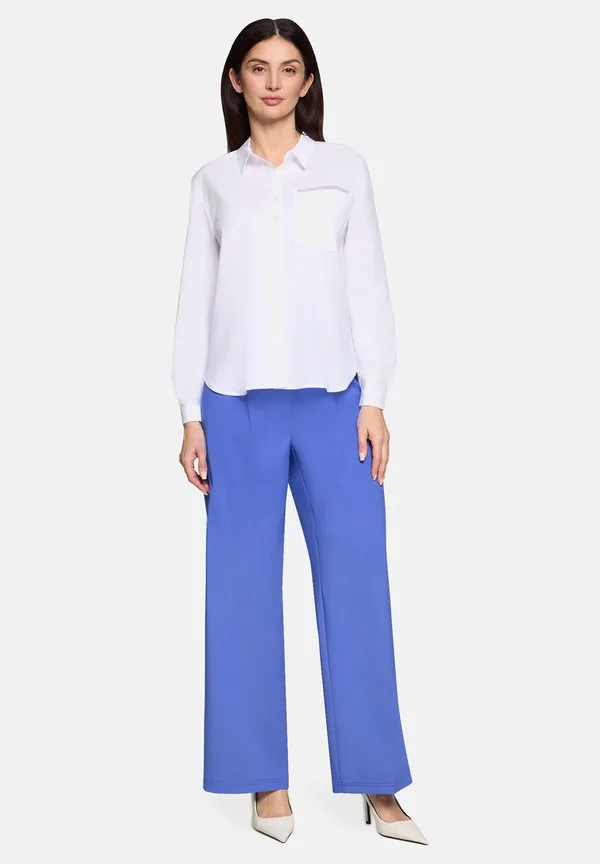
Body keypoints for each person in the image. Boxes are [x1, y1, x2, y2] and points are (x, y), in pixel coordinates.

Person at [171, 17, 428, 846]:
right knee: (241, 593)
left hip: (334, 402)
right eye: (259, 67)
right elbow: (194, 302)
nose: (274, 82)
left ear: (308, 81)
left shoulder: (344, 170)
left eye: (289, 68)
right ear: (236, 80)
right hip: (234, 407)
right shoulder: (214, 183)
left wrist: (375, 396)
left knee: (358, 586)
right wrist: (189, 414)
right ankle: (265, 779)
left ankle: (378, 780)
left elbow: (370, 285)